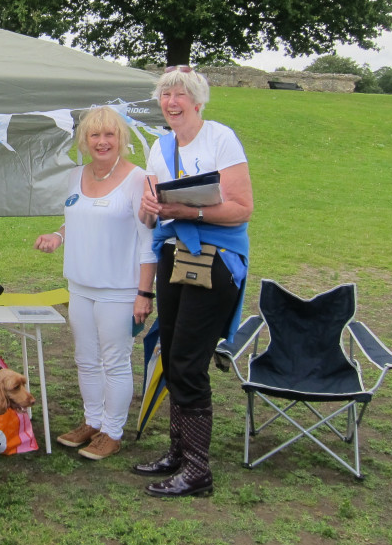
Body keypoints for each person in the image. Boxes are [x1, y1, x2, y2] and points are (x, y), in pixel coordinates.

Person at [132, 66, 253, 498]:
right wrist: (150, 207)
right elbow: (149, 215)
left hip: (215, 259)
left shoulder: (220, 138)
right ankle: (179, 454)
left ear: (198, 101)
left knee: (188, 361)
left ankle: (197, 470)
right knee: (172, 353)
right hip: (173, 255)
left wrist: (188, 211)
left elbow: (241, 208)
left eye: (180, 94)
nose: (171, 101)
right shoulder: (160, 146)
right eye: (165, 94)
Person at [35, 106, 157, 460]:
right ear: (84, 140)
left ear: (122, 138)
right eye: (94, 135)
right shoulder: (76, 175)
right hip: (80, 286)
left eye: (109, 134)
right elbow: (75, 219)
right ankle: (92, 421)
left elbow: (149, 241)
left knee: (115, 361)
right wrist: (58, 236)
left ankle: (112, 432)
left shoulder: (139, 179)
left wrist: (144, 294)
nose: (102, 142)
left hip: (119, 290)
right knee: (86, 359)